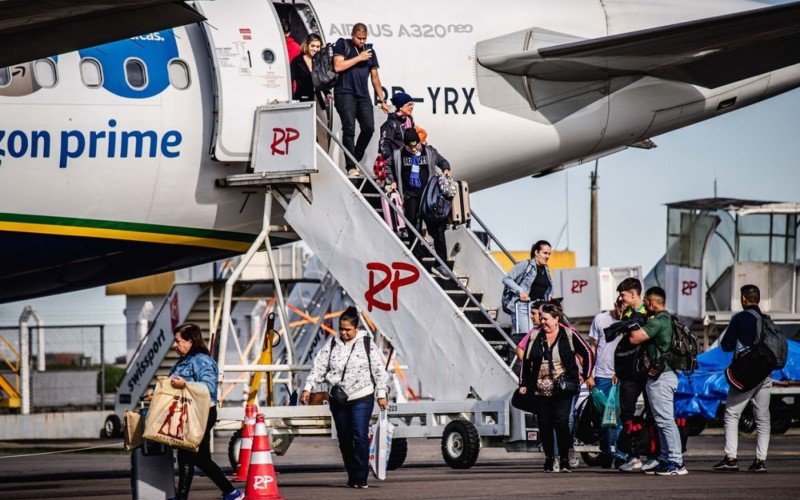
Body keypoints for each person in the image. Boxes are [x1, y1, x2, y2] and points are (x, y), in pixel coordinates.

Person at [300, 306, 389, 488]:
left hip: (362, 395)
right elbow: (319, 366)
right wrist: (308, 387)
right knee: (344, 438)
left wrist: (381, 394)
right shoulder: (333, 343)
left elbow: (379, 371)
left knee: (359, 435)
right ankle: (352, 473)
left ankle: (361, 476)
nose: (344, 332)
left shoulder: (366, 344)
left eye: (347, 329)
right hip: (338, 398)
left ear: (356, 328)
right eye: (341, 328)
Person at [167, 323, 243, 500]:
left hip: (202, 414)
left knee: (189, 455)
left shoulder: (202, 361)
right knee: (196, 457)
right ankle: (231, 492)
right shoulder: (181, 363)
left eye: (177, 341)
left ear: (190, 341)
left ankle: (229, 492)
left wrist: (185, 384)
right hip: (187, 414)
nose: (174, 345)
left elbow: (207, 388)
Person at [519, 304, 593, 473]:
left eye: (546, 319)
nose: (542, 322)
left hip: (563, 388)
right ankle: (550, 458)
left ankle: (565, 459)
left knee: (561, 422)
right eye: (541, 319)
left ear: (556, 319)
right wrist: (524, 383)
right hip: (540, 388)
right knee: (544, 424)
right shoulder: (535, 336)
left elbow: (587, 352)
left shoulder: (568, 333)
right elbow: (527, 361)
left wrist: (587, 374)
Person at [628, 286, 687, 476]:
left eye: (645, 302)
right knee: (662, 421)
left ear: (652, 302)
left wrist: (632, 322)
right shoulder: (670, 319)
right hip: (667, 375)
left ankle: (677, 462)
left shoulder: (659, 321)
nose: (644, 305)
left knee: (666, 421)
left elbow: (635, 338)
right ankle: (665, 459)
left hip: (661, 377)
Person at [713, 284, 772, 473]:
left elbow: (726, 345)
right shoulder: (767, 320)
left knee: (732, 413)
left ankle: (731, 458)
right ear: (758, 299)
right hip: (765, 373)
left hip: (746, 373)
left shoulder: (740, 318)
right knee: (762, 418)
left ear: (744, 299)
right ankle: (760, 461)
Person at [385, 127, 452, 278]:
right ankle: (418, 261)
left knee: (437, 231)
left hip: (428, 197)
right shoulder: (398, 155)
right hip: (410, 197)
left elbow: (442, 161)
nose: (414, 149)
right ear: (405, 145)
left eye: (416, 145)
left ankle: (440, 264)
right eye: (410, 147)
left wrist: (446, 169)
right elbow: (388, 166)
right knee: (413, 228)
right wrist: (392, 180)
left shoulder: (429, 152)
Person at [332, 23, 391, 175]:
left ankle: (354, 159)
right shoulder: (342, 44)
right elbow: (338, 66)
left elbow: (375, 77)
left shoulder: (369, 50)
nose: (362, 42)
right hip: (344, 92)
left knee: (369, 127)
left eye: (364, 39)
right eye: (359, 38)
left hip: (363, 94)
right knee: (349, 129)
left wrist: (382, 100)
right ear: (352, 35)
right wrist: (359, 58)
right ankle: (351, 167)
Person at [612, 277, 655, 472]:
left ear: (633, 294)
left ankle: (654, 455)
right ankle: (632, 455)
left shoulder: (649, 313)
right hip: (629, 372)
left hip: (646, 370)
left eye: (622, 295)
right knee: (627, 412)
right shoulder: (627, 312)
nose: (620, 298)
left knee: (653, 413)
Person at [587, 297, 625, 467]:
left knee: (619, 417)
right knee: (603, 416)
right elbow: (593, 346)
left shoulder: (630, 321)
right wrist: (591, 373)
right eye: (620, 308)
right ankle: (606, 452)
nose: (622, 312)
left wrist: (620, 371)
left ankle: (619, 454)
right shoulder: (601, 319)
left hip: (620, 376)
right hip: (602, 375)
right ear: (615, 305)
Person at [290, 34, 332, 148]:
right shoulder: (297, 61)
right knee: (305, 131)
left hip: (318, 99)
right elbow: (290, 80)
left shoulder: (320, 61)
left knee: (323, 131)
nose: (315, 49)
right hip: (303, 99)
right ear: (306, 45)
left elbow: (322, 80)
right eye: (313, 46)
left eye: (318, 47)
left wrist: (328, 92)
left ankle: (324, 160)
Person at [502, 241, 553, 328]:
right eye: (545, 253)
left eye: (549, 254)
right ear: (536, 252)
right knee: (527, 337)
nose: (547, 256)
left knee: (538, 339)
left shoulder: (546, 270)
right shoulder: (526, 264)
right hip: (523, 307)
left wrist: (550, 297)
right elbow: (506, 279)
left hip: (539, 310)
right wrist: (520, 291)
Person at [378, 92, 415, 160]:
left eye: (412, 104)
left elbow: (413, 142)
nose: (412, 107)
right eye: (409, 104)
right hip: (396, 161)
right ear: (401, 107)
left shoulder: (410, 121)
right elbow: (384, 145)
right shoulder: (391, 123)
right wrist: (392, 160)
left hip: (407, 160)